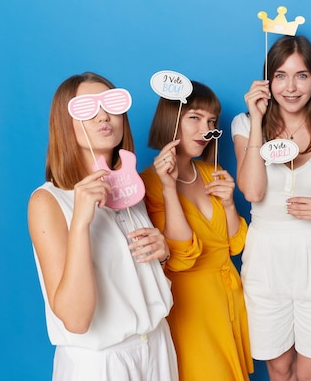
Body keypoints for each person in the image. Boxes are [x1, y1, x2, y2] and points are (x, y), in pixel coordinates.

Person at [27, 72, 177, 381]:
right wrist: (81, 224)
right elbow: (76, 319)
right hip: (101, 363)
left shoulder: (130, 189)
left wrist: (162, 254)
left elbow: (130, 277)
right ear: (65, 123)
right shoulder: (48, 201)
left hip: (158, 345)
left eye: (111, 103)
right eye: (86, 108)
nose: (103, 115)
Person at [231, 35, 311, 381]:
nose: (291, 87)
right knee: (280, 369)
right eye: (281, 76)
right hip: (266, 262)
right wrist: (257, 121)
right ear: (268, 81)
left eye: (301, 75)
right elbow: (253, 191)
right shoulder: (244, 125)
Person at [140, 80, 253, 381]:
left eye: (212, 121)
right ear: (171, 119)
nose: (206, 128)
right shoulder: (146, 184)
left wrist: (229, 204)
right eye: (195, 117)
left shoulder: (210, 173)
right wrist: (167, 187)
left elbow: (234, 246)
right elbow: (180, 254)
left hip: (228, 299)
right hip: (190, 308)